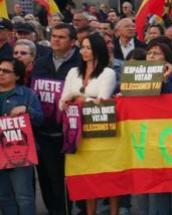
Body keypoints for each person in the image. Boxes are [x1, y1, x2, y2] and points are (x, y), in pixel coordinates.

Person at [59, 32, 118, 215]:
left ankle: (113, 212)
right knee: (86, 176)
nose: (83, 51)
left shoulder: (108, 73)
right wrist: (76, 99)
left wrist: (76, 97)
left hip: (99, 131)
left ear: (97, 50)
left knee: (108, 176)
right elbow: (62, 104)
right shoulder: (72, 72)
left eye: (88, 48)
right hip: (75, 132)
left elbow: (102, 100)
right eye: (82, 47)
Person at [31, 23, 81, 215]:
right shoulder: (42, 62)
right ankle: (53, 209)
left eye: (61, 37)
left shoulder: (79, 63)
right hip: (43, 130)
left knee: (61, 179)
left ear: (73, 42)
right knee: (44, 177)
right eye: (54, 36)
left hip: (68, 132)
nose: (56, 40)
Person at [0, 57, 42, 215]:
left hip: (20, 151)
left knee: (24, 196)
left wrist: (27, 110)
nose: (1, 73)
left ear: (17, 76)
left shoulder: (28, 94)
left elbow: (40, 119)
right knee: (4, 196)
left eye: (6, 71)